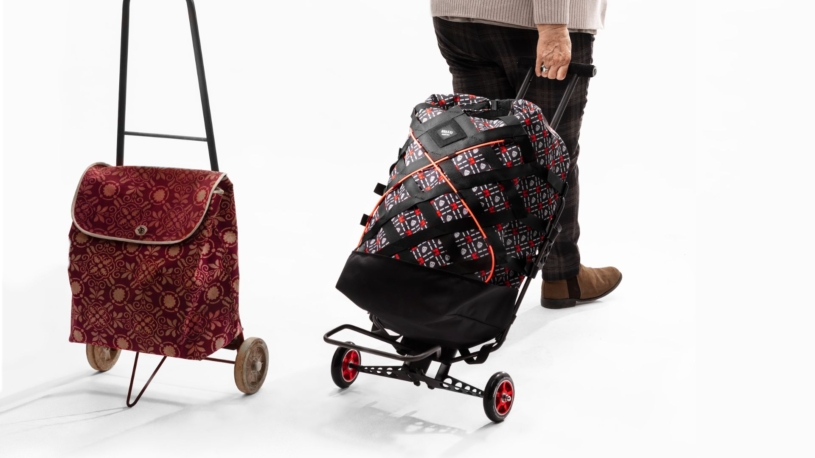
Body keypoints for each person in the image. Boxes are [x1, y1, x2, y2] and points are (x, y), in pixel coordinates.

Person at [430, 0, 621, 308]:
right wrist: (553, 24)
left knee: (483, 157)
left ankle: (480, 278)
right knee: (552, 154)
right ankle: (563, 276)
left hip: (457, 18)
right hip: (528, 22)